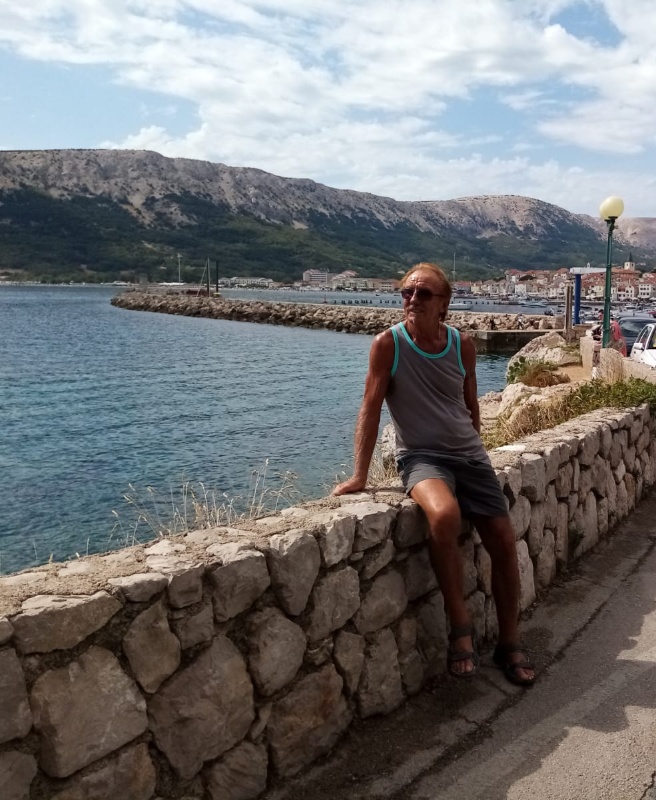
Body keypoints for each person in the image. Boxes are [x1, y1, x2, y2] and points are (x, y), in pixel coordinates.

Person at [333, 262, 535, 686]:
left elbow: (471, 404)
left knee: (503, 539)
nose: (412, 299)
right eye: (406, 292)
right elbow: (370, 409)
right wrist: (359, 475)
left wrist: (478, 451)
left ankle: (509, 641)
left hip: (470, 457)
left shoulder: (462, 345)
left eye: (423, 293)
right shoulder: (388, 344)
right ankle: (460, 628)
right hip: (422, 459)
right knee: (444, 515)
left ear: (444, 303)